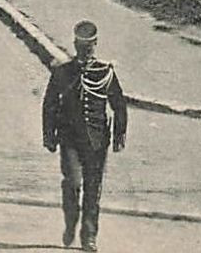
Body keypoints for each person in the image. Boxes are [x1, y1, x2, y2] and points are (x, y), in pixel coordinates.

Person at [42, 20, 128, 252]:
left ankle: (89, 236)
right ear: (75, 45)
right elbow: (49, 104)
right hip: (70, 138)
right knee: (72, 182)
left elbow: (118, 104)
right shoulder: (63, 72)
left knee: (93, 188)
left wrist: (120, 133)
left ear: (95, 45)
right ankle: (71, 221)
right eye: (82, 47)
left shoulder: (105, 72)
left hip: (97, 140)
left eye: (89, 47)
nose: (86, 51)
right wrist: (49, 135)